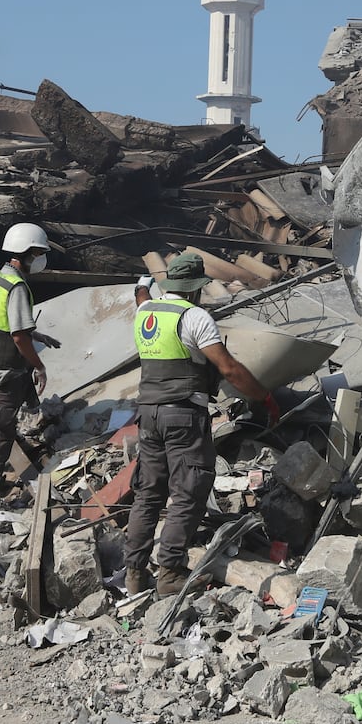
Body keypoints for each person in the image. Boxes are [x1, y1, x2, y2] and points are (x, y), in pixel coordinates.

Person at [125, 253, 279, 596]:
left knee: (148, 493)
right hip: (182, 414)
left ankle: (134, 573)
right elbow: (228, 368)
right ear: (195, 288)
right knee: (188, 491)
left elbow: (141, 297)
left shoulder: (145, 312)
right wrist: (264, 398)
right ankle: (169, 573)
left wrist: (141, 284)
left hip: (147, 414)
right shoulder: (195, 317)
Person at [0, 221, 51, 513]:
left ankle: (32, 441)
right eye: (38, 253)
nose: (41, 260)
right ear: (26, 254)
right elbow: (16, 336)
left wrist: (35, 334)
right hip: (5, 371)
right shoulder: (17, 288)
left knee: (9, 419)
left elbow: (2, 323)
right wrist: (38, 365)